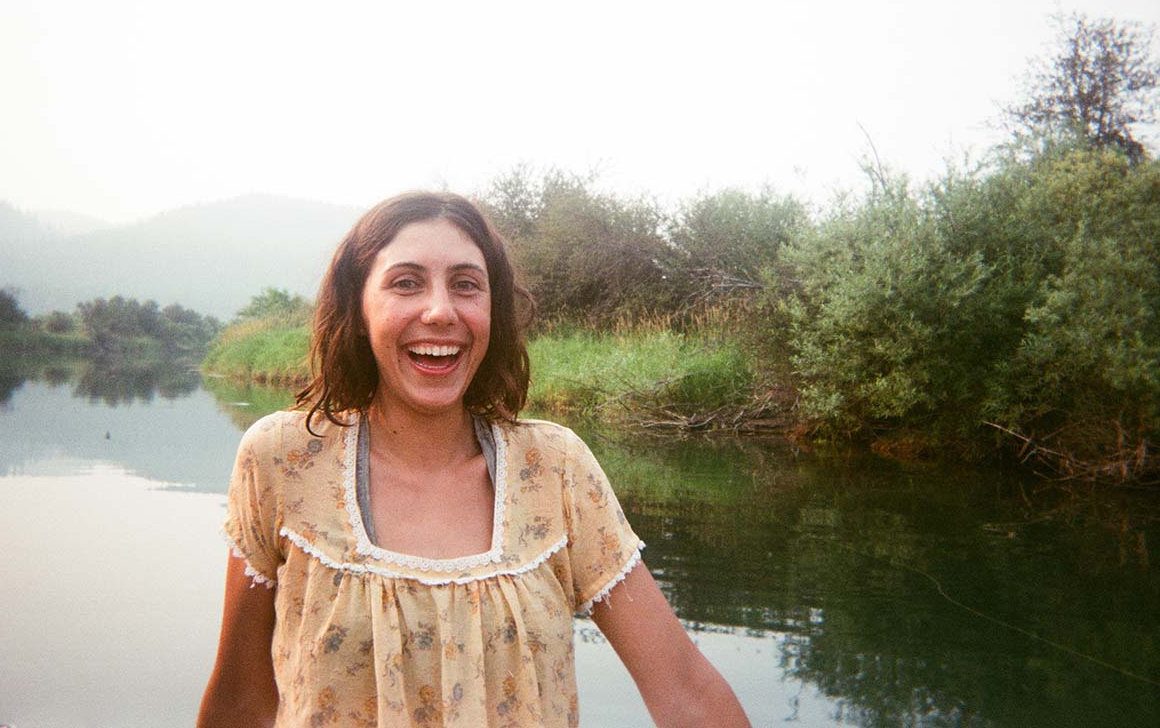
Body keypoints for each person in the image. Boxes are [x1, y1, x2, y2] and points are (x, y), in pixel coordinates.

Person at [198, 191, 751, 728]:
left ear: (493, 311)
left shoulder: (555, 468)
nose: (440, 311)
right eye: (406, 283)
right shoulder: (284, 459)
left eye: (466, 285)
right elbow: (241, 702)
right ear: (359, 309)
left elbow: (684, 689)